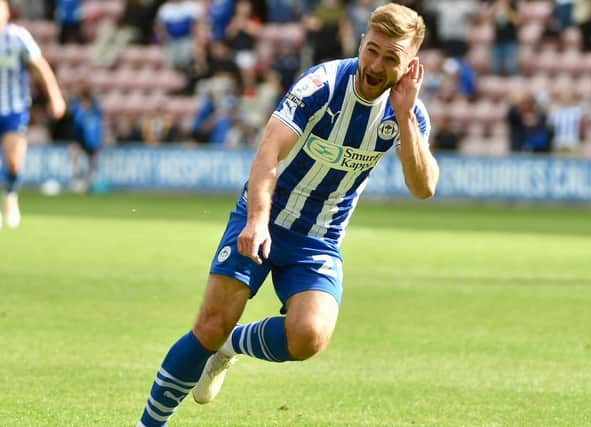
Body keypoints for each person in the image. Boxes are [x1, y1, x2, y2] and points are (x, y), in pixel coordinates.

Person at [137, 4, 439, 426]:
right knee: (208, 325)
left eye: (392, 58)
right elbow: (269, 151)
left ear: (410, 65)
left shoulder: (406, 113)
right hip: (265, 215)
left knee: (309, 336)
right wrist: (257, 220)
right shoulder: (323, 84)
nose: (376, 64)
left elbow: (424, 187)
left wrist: (405, 116)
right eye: (372, 50)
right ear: (361, 42)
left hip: (319, 239)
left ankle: (230, 348)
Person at [0, 0, 65, 228]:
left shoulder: (18, 37)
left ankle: (10, 197)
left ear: (7, 13)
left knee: (14, 162)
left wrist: (55, 96)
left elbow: (40, 66)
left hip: (14, 108)